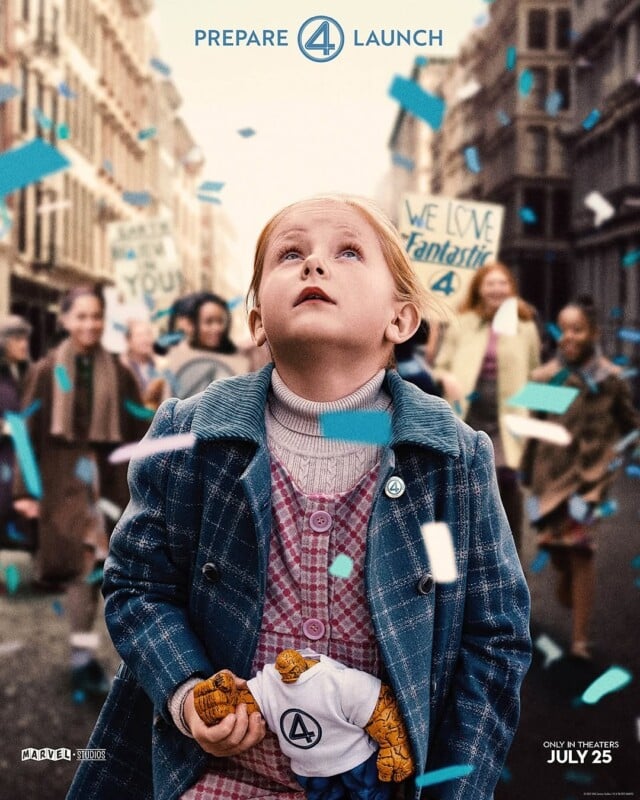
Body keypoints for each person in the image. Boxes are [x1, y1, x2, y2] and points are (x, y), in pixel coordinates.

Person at [68, 195, 531, 800]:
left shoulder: (450, 458)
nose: (315, 264)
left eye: (347, 251)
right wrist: (187, 694)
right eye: (290, 253)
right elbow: (137, 584)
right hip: (219, 780)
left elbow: (491, 639)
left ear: (401, 318)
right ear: (256, 318)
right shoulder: (192, 433)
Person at [13, 285, 146, 695]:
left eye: (96, 316)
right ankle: (82, 662)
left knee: (111, 574)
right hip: (63, 486)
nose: (89, 324)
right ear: (65, 320)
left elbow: (139, 429)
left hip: (108, 486)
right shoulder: (45, 370)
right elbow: (26, 433)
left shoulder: (121, 373)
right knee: (80, 572)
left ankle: (125, 661)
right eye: (81, 316)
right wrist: (24, 491)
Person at [520, 296, 639, 660]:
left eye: (578, 329)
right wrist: (525, 466)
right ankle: (564, 573)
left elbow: (628, 423)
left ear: (593, 333)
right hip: (550, 480)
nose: (569, 337)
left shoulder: (611, 381)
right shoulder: (545, 378)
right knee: (557, 550)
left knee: (583, 552)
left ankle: (580, 640)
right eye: (564, 329)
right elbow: (534, 426)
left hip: (588, 485)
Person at [433, 262, 541, 551]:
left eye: (502, 283)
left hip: (508, 419)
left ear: (511, 289)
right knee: (468, 490)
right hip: (468, 416)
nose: (496, 289)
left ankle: (511, 562)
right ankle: (472, 560)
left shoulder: (527, 326)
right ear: (479, 288)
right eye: (490, 283)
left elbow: (533, 374)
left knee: (507, 486)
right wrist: (447, 378)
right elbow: (440, 366)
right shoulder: (461, 322)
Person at [163, 292, 250, 399]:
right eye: (209, 322)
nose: (217, 328)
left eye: (220, 321)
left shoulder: (239, 355)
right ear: (191, 325)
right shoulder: (179, 359)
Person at [0, 315, 33, 550]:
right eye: (17, 339)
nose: (24, 344)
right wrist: (7, 428)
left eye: (25, 338)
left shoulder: (25, 372)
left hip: (22, 453)